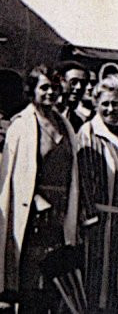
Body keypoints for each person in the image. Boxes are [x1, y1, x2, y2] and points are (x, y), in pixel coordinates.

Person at [0, 66, 80, 313]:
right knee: (31, 284)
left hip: (60, 216)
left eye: (55, 88)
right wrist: (35, 198)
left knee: (55, 288)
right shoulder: (20, 126)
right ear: (32, 90)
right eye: (44, 87)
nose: (50, 93)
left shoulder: (65, 125)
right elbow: (13, 176)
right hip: (34, 217)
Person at [76, 75, 118, 313]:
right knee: (98, 289)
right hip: (99, 226)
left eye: (116, 103)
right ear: (96, 103)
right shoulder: (89, 133)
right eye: (105, 103)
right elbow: (84, 181)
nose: (110, 109)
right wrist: (90, 220)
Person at [55, 60, 92, 131]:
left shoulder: (79, 121)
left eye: (83, 83)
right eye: (73, 82)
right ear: (61, 82)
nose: (79, 87)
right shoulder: (49, 112)